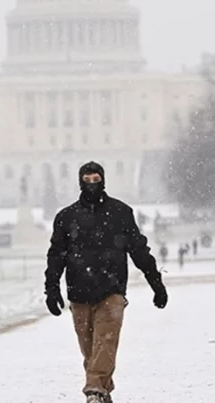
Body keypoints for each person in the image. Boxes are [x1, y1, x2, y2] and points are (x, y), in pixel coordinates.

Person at [45, 161, 168, 403]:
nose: (92, 185)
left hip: (111, 289)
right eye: (87, 180)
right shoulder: (66, 217)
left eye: (96, 180)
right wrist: (51, 288)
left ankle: (94, 390)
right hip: (79, 290)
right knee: (91, 349)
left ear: (103, 180)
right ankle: (103, 386)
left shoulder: (120, 213)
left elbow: (139, 250)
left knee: (106, 341)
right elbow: (56, 254)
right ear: (81, 182)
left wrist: (156, 283)